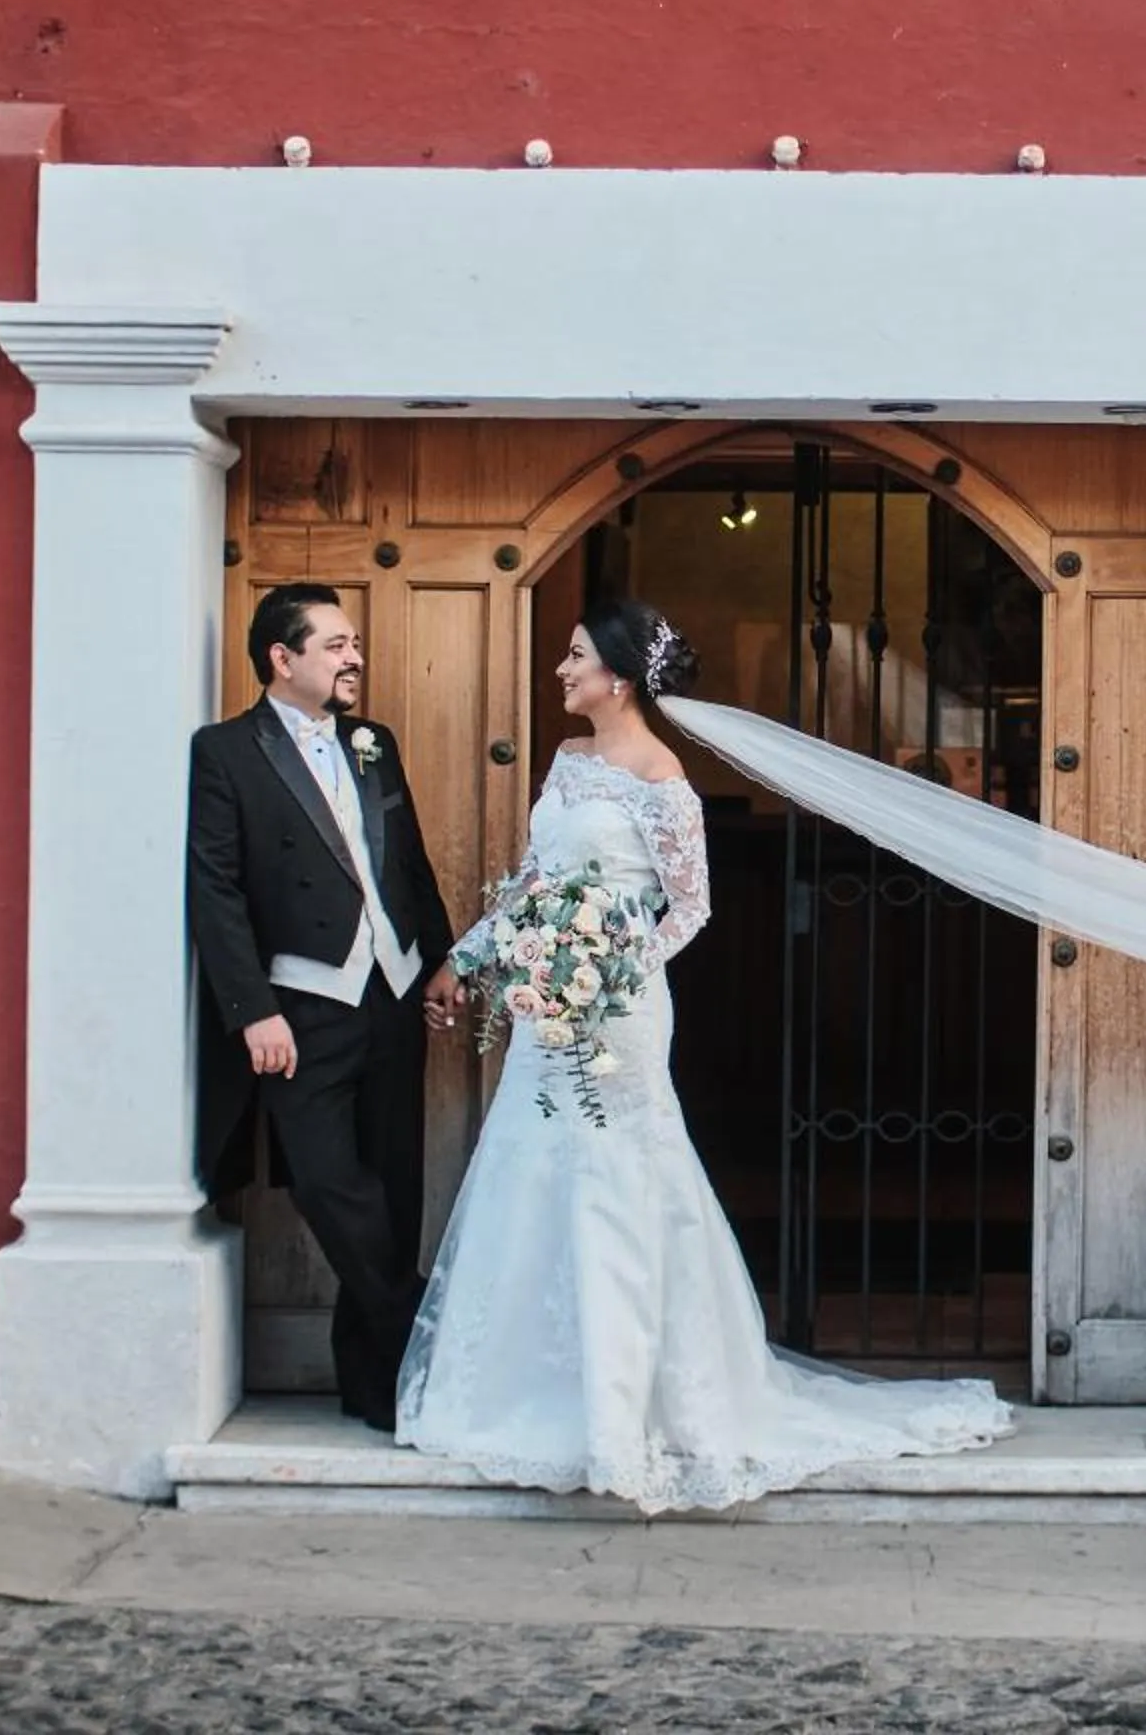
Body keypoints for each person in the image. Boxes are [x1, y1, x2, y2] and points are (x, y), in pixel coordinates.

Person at [406, 597, 1012, 1509]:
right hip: (548, 1008)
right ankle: (527, 1387)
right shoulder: (568, 762)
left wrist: (613, 967)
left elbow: (690, 908)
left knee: (618, 1181)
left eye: (575, 656)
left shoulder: (664, 781)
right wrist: (469, 956)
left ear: (618, 677)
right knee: (533, 1166)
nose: (561, 670)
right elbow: (535, 883)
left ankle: (627, 1413)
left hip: (619, 1009)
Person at [189, 584, 455, 1433]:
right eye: (337, 646)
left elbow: (406, 859)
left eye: (354, 645)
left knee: (396, 1185)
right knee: (327, 1182)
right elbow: (215, 888)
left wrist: (440, 959)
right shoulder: (225, 751)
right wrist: (251, 1009)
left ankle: (376, 1391)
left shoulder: (374, 743)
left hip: (393, 991)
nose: (355, 659)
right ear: (283, 658)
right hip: (301, 1005)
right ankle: (423, 1323)